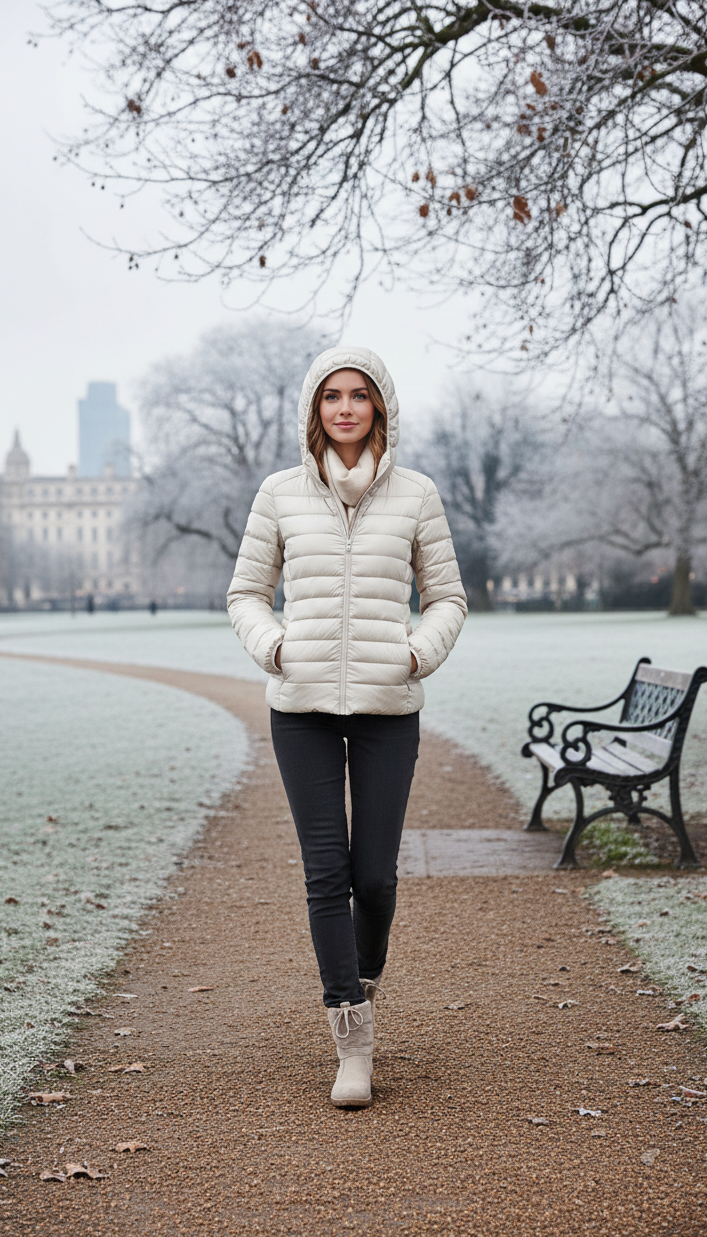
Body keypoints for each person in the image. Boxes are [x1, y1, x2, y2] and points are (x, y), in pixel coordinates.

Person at [227, 347, 466, 1107]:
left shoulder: (418, 496)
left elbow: (449, 598)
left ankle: (362, 973)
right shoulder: (280, 494)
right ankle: (351, 1032)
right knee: (326, 873)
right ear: (314, 410)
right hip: (300, 712)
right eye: (331, 395)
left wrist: (415, 654)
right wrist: (274, 645)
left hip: (387, 712)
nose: (345, 408)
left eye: (359, 395)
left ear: (380, 408)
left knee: (375, 878)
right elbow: (246, 592)